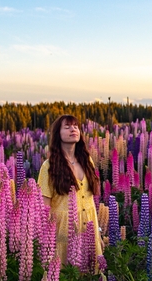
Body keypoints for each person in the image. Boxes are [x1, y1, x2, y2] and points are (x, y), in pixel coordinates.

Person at [37, 114, 103, 266]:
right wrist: (46, 241)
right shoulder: (48, 167)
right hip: (63, 231)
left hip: (89, 228)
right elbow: (44, 208)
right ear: (57, 134)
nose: (73, 129)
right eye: (67, 127)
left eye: (75, 126)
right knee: (68, 278)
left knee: (90, 278)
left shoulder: (88, 161)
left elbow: (91, 200)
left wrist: (98, 232)